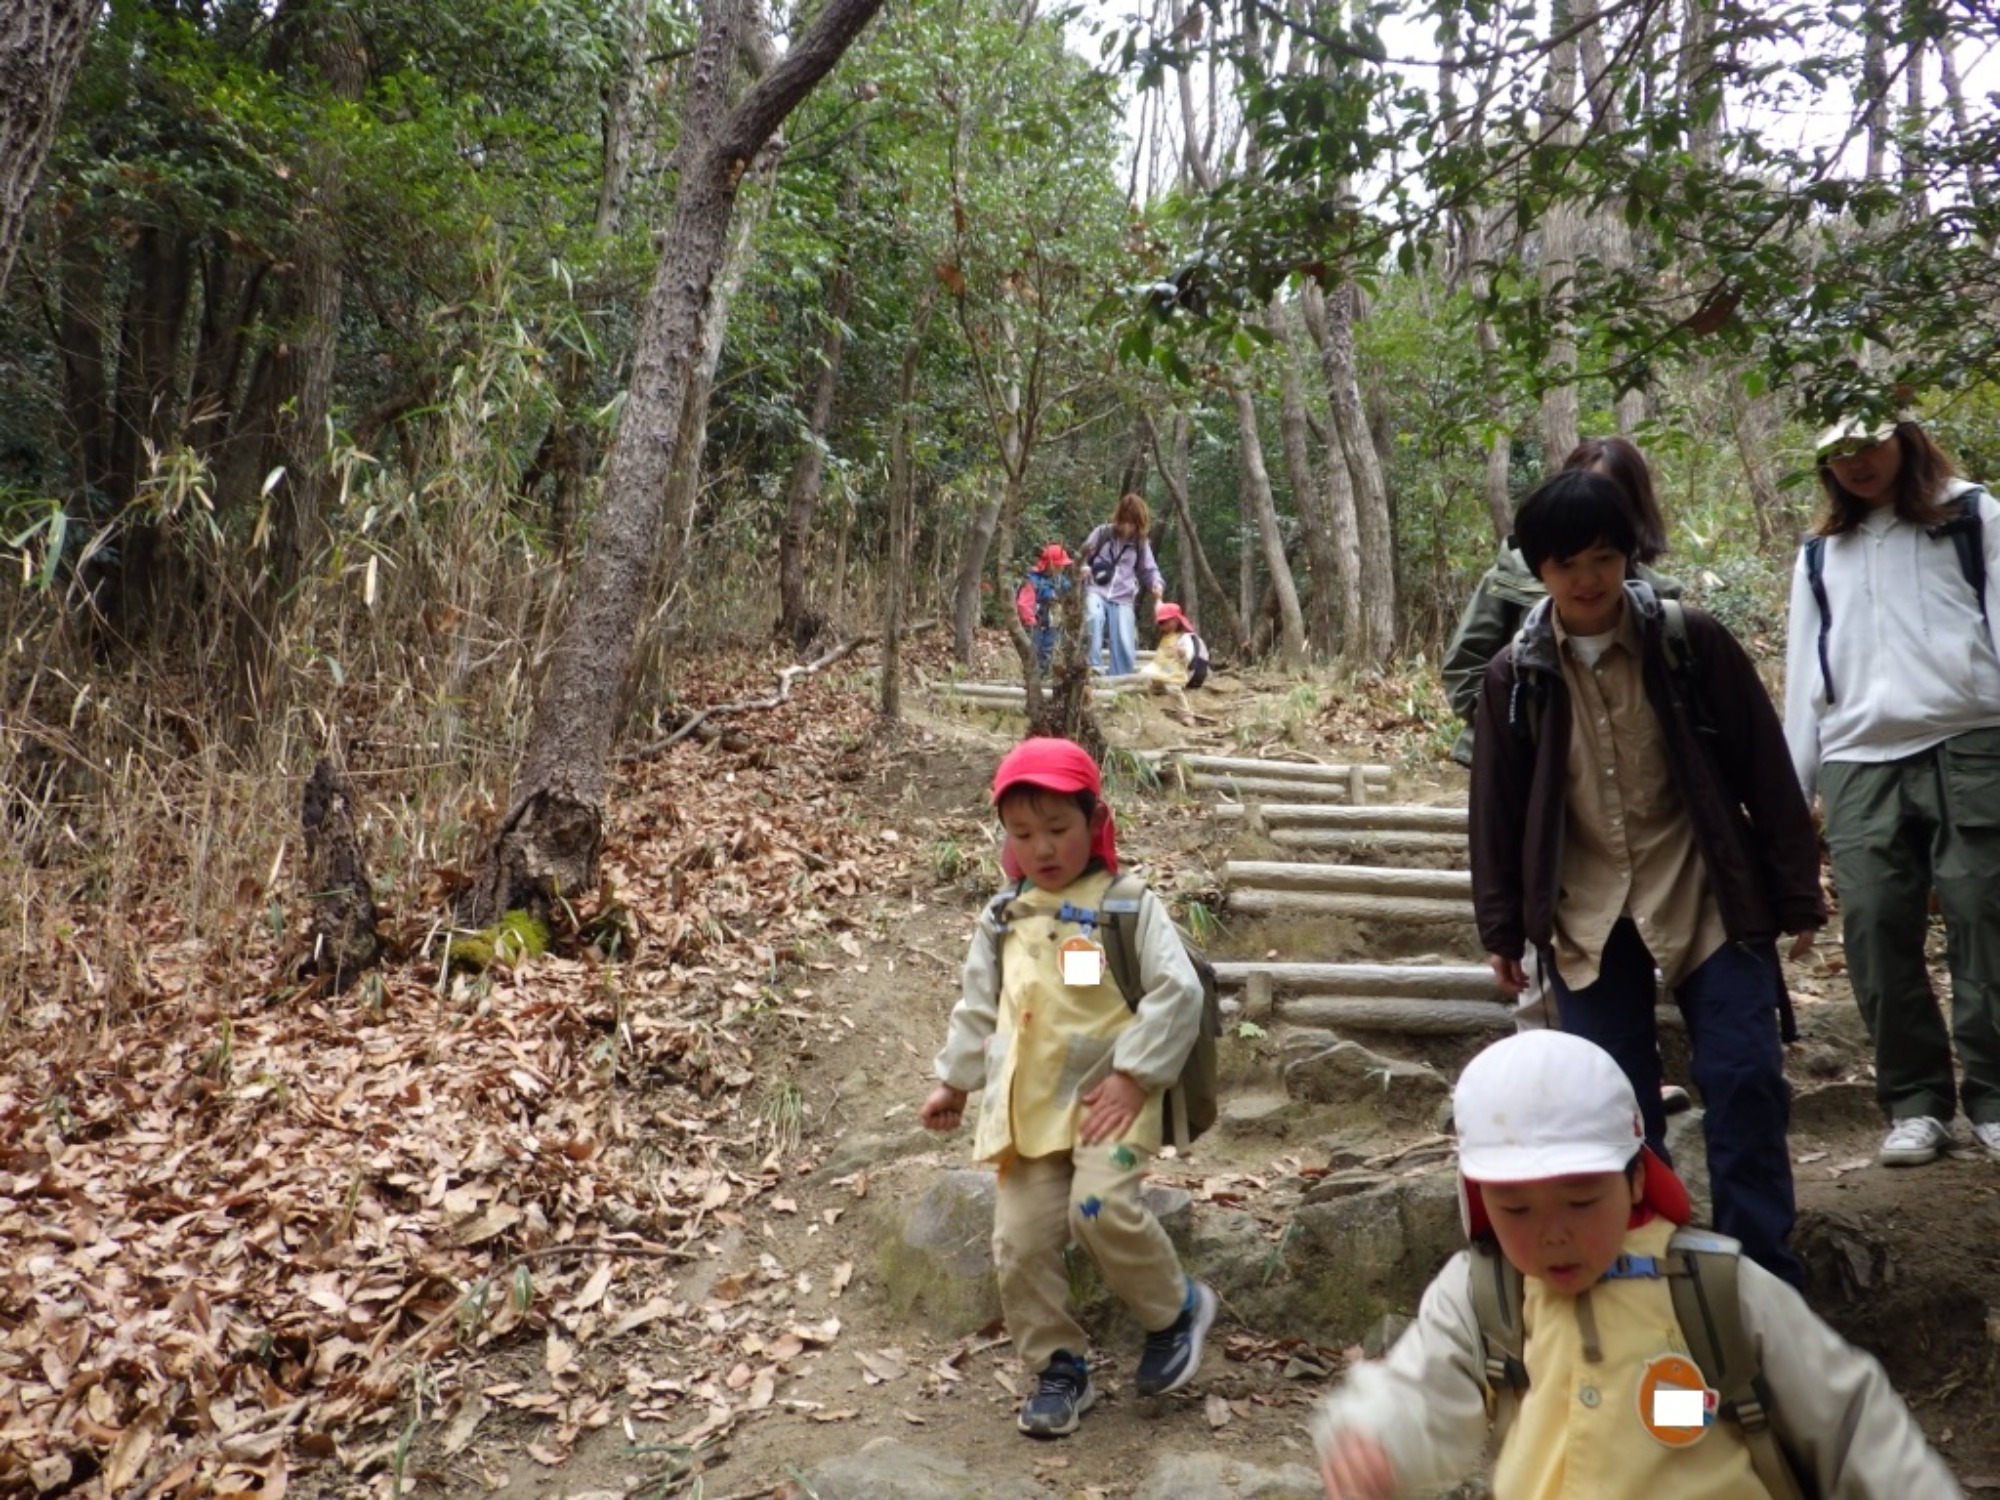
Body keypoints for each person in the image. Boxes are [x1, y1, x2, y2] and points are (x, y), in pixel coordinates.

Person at [1310, 1030, 1960, 1500]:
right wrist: (1375, 1440)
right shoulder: (1484, 1293)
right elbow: (1418, 1391)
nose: (1553, 1234)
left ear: (1638, 1180)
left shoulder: (1716, 1290)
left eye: (1582, 1199)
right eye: (1516, 1208)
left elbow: (1852, 1423)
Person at [1470, 470, 1826, 1287]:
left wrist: (1795, 889)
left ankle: (1763, 1276)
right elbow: (1495, 809)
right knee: (1613, 1105)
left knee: (1744, 1076)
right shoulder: (1515, 677)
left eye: (1602, 558)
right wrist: (1500, 928)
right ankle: (1651, 1267)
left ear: (1628, 555)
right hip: (1584, 910)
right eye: (1566, 566)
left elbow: (1763, 769)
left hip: (1703, 891)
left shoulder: (1689, 642)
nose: (1587, 581)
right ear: (1537, 571)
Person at [920, 737, 1218, 1439]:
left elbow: (1177, 994)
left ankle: (1174, 1310)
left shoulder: (1125, 906)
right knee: (1018, 1241)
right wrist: (954, 1084)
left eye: (1058, 829)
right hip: (1026, 1115)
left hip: (1107, 1104)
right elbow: (976, 1005)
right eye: (1023, 835)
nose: (1043, 848)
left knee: (1099, 1206)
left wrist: (1133, 1075)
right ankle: (1060, 1366)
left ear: (1094, 821)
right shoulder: (1003, 917)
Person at [1782, 414, 2000, 1167]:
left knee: (1983, 912)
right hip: (1857, 756)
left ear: (1906, 437)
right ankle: (1914, 1103)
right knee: (1874, 928)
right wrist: (1791, 798)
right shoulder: (1820, 552)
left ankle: (1995, 1098)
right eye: (1836, 452)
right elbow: (1806, 674)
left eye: (1868, 443)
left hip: (1970, 740)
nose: (1856, 463)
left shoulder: (1970, 515)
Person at [1442, 438, 1686, 1048]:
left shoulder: (1664, 603)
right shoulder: (1518, 569)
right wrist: (1523, 724)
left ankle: (1630, 1061)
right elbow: (1466, 667)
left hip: (1634, 795)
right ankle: (1554, 1060)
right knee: (1546, 906)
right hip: (1534, 776)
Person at [1080, 493, 1164, 677]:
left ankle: (1119, 679)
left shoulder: (1140, 543)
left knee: (1124, 641)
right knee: (1093, 617)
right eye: (1124, 521)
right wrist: (1082, 568)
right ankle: (1092, 667)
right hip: (1096, 589)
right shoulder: (1102, 533)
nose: (1127, 527)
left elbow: (1149, 570)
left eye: (1132, 523)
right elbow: (1082, 557)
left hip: (1123, 595)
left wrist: (1156, 585)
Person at [1143, 601, 1210, 721]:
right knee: (1145, 676)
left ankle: (1185, 714)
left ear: (1175, 621)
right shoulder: (1165, 637)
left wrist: (1182, 653)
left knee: (1172, 688)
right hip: (1161, 669)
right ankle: (1155, 693)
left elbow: (1189, 656)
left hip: (1177, 671)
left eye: (1164, 622)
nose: (1162, 625)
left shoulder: (1184, 637)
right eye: (1160, 623)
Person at [1016, 542, 1075, 670]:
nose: (1062, 568)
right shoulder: (1032, 580)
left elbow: (1070, 589)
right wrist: (1030, 620)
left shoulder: (1060, 580)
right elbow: (1023, 603)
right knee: (1034, 649)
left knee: (1048, 648)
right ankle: (1033, 675)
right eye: (1059, 565)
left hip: (1053, 621)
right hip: (1035, 622)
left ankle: (1044, 674)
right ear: (1049, 564)